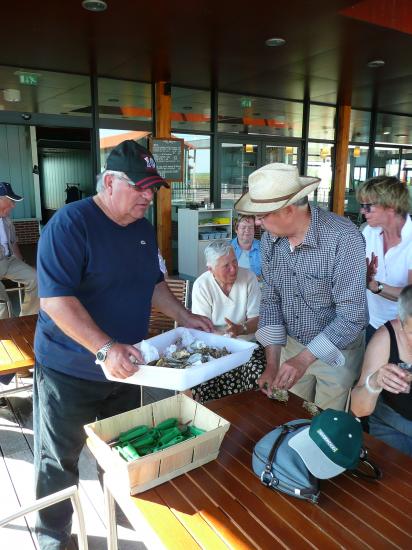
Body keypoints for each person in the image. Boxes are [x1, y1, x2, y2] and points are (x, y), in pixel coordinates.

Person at [33, 140, 213, 550]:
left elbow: (152, 283)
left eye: (153, 189)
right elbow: (56, 300)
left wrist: (183, 315)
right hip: (70, 369)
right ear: (110, 182)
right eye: (141, 189)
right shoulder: (70, 224)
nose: (149, 197)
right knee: (58, 461)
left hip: (130, 366)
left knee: (124, 452)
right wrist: (104, 348)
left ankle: (122, 521)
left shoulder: (143, 228)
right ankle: (53, 539)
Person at [235, 163, 368, 410]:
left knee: (328, 427)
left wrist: (303, 360)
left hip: (338, 352)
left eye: (262, 216)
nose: (257, 223)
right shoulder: (269, 241)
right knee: (292, 415)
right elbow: (271, 300)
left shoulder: (343, 239)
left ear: (287, 210)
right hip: (292, 345)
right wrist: (273, 363)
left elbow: (352, 317)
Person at [191, 240, 264, 401]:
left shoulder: (248, 278)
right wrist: (225, 335)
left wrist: (240, 329)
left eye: (235, 262)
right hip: (212, 346)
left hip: (245, 344)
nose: (233, 269)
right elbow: (202, 329)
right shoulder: (202, 285)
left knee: (258, 375)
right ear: (210, 269)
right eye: (226, 266)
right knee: (201, 380)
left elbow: (257, 320)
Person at [351, 284, 412, 456]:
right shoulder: (386, 337)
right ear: (400, 320)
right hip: (391, 425)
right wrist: (375, 381)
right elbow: (358, 408)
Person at [356, 176, 412, 344]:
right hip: (370, 322)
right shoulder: (368, 232)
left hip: (404, 329)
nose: (362, 211)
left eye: (368, 207)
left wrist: (375, 286)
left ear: (391, 207)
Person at [0, 181, 39, 319]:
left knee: (36, 279)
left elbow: (13, 244)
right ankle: (4, 333)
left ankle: (26, 318)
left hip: (8, 261)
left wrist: (23, 264)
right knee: (1, 299)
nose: (13, 205)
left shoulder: (7, 221)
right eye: (10, 200)